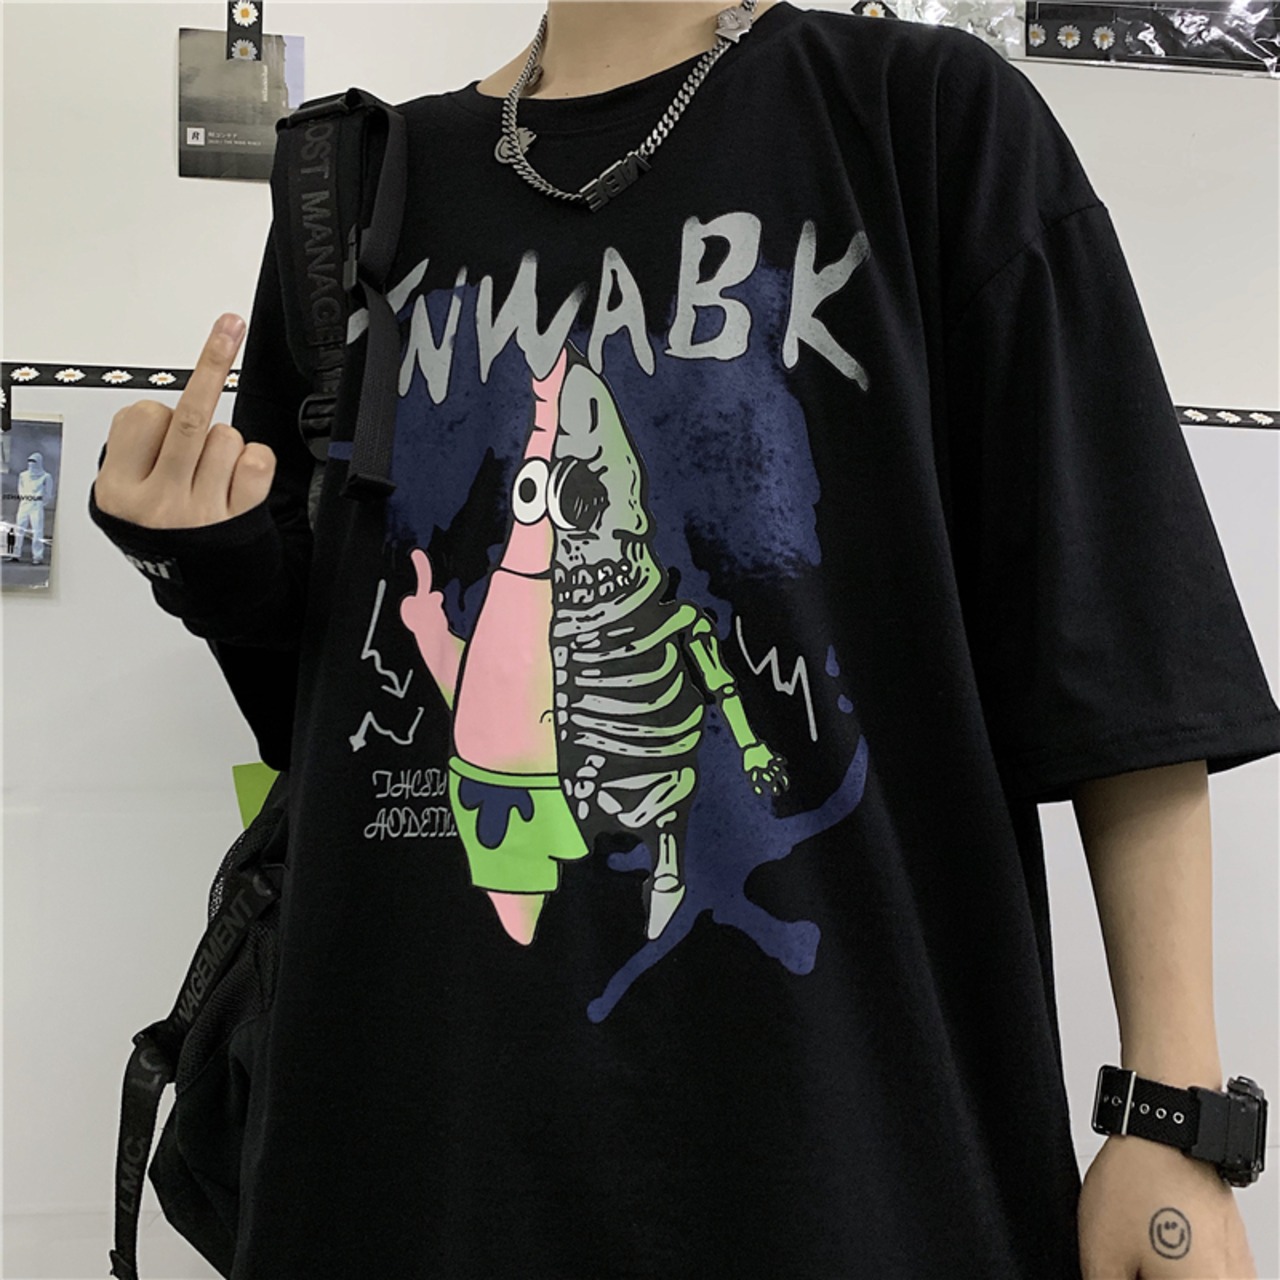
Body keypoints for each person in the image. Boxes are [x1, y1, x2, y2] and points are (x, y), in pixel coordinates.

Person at [89, 2, 1280, 1276]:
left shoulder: (926, 119)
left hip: (849, 1155)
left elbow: (1125, 641)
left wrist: (1173, 1117)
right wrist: (201, 561)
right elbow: (338, 721)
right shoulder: (360, 188)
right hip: (417, 1154)